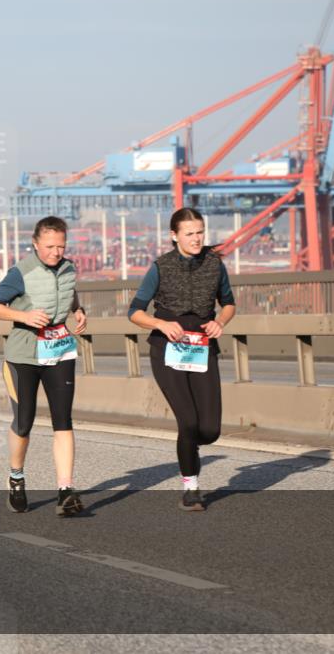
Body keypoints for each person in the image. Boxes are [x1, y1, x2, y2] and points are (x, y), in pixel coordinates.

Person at [128, 207, 235, 512]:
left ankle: (190, 446)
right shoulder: (160, 267)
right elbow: (134, 312)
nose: (196, 239)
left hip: (202, 348)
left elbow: (228, 304)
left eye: (200, 232)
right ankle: (191, 487)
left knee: (210, 429)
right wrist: (161, 324)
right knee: (187, 420)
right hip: (167, 349)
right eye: (189, 234)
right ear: (174, 236)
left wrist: (221, 322)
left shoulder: (215, 265)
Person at [0, 216, 87, 517]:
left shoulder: (68, 268)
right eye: (49, 246)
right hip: (24, 356)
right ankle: (16, 477)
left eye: (61, 246)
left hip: (58, 352)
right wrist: (24, 316)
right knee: (24, 421)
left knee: (63, 420)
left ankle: (65, 491)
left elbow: (67, 291)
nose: (56, 252)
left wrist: (78, 309)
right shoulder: (22, 272)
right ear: (35, 244)